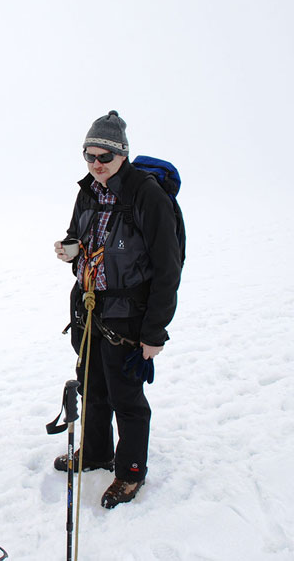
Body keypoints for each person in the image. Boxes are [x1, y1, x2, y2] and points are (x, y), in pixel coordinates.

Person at [52, 110, 182, 509]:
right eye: (89, 156)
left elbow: (168, 267)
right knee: (93, 386)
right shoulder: (88, 190)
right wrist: (70, 250)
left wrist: (154, 332)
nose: (96, 165)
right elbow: (81, 237)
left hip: (129, 315)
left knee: (126, 397)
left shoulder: (147, 195)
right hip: (90, 309)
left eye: (104, 157)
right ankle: (94, 454)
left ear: (122, 154)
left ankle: (129, 473)